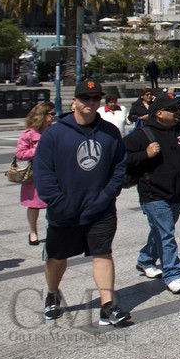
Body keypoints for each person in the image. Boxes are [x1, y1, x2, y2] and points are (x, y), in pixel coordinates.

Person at [33, 79, 132, 327]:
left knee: (103, 253)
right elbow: (43, 173)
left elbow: (119, 168)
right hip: (64, 209)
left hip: (101, 208)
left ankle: (108, 306)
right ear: (74, 101)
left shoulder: (109, 132)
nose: (90, 102)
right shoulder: (54, 134)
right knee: (57, 258)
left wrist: (107, 196)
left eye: (95, 98)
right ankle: (52, 294)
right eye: (85, 98)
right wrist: (58, 202)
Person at [123, 92, 180, 294]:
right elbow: (120, 158)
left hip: (177, 193)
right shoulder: (142, 135)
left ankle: (145, 260)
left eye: (179, 108)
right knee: (166, 234)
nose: (178, 112)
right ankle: (173, 274)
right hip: (153, 195)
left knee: (160, 231)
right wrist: (145, 154)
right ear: (159, 113)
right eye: (173, 109)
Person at [17, 102, 56, 246]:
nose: (54, 116)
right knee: (34, 205)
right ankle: (33, 231)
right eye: (51, 114)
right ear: (42, 115)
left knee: (55, 203)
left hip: (55, 172)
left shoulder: (55, 131)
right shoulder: (28, 133)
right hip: (36, 173)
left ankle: (54, 230)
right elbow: (20, 154)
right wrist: (37, 150)